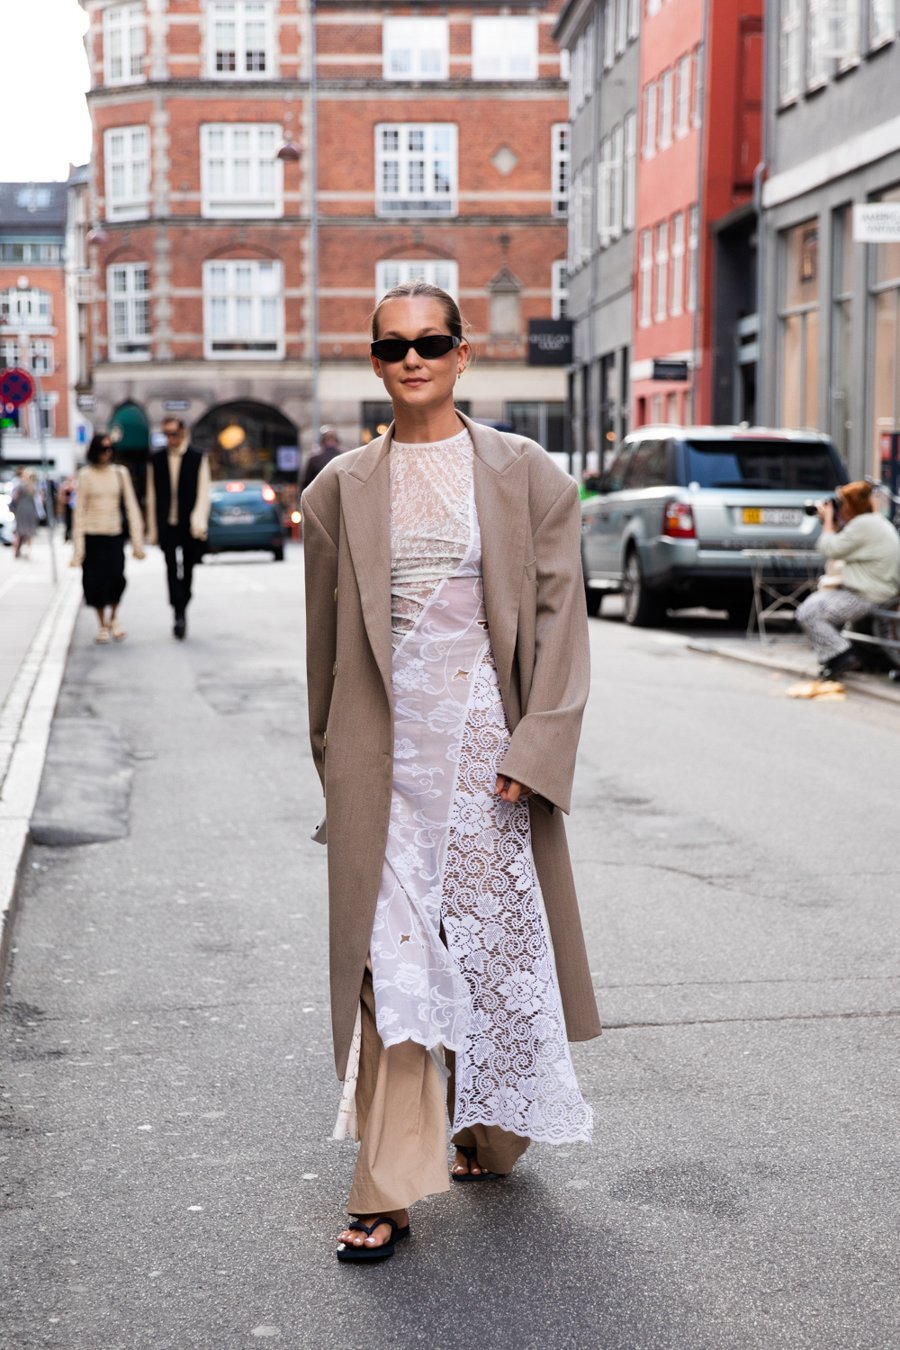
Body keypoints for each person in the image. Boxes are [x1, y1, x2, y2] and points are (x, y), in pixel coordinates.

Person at [301, 280, 600, 1264]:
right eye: (393, 348)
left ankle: (493, 1126)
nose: (413, 359)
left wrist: (536, 751)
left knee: (486, 952)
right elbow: (327, 650)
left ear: (465, 354)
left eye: (431, 341)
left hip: (484, 757)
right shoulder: (339, 488)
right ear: (375, 363)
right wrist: (330, 765)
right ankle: (386, 1185)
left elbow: (560, 627)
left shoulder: (525, 475)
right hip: (383, 760)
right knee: (392, 964)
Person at [797, 480, 900, 680]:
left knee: (809, 613)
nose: (840, 508)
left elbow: (829, 548)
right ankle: (836, 656)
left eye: (842, 504)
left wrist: (827, 519)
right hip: (874, 590)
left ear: (850, 506)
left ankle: (841, 655)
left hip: (867, 595)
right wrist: (833, 521)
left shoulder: (864, 524)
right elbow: (843, 544)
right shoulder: (873, 522)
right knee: (814, 605)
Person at [70, 433, 145, 643]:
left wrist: (138, 541)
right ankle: (102, 624)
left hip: (114, 534)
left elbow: (131, 507)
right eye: (103, 449)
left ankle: (114, 618)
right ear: (95, 451)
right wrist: (78, 548)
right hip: (92, 535)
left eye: (110, 449)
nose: (107, 453)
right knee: (95, 582)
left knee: (116, 579)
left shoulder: (120, 473)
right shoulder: (85, 475)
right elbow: (79, 512)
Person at [145, 417, 211, 639]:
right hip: (167, 523)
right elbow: (152, 496)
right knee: (171, 567)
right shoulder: (156, 459)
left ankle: (184, 600)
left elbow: (204, 493)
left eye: (173, 433)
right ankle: (178, 611)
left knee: (189, 567)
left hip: (189, 523)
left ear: (182, 432)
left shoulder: (197, 457)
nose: (170, 438)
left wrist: (199, 521)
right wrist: (152, 529)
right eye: (166, 434)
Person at [301, 427, 343, 493]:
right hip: (339, 498)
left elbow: (306, 484)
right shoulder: (344, 456)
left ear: (322, 441)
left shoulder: (314, 459)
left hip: (319, 497)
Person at [10, 468, 40, 559]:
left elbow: (14, 498)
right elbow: (39, 502)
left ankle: (16, 550)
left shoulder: (21, 486)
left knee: (18, 532)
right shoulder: (34, 488)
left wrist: (12, 508)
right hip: (30, 511)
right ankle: (28, 552)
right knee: (29, 534)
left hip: (21, 511)